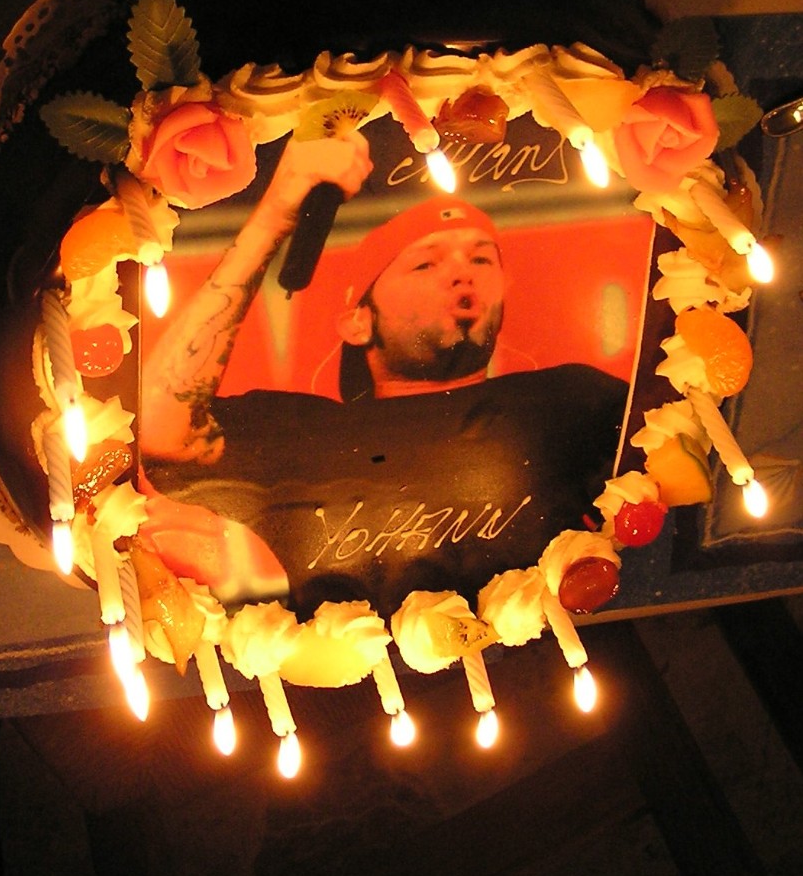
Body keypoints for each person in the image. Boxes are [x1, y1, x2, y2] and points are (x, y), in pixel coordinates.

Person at [140, 130, 627, 614]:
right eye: (425, 265)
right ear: (358, 321)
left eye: (481, 258)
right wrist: (275, 217)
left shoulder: (571, 399)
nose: (463, 271)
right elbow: (159, 426)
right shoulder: (293, 427)